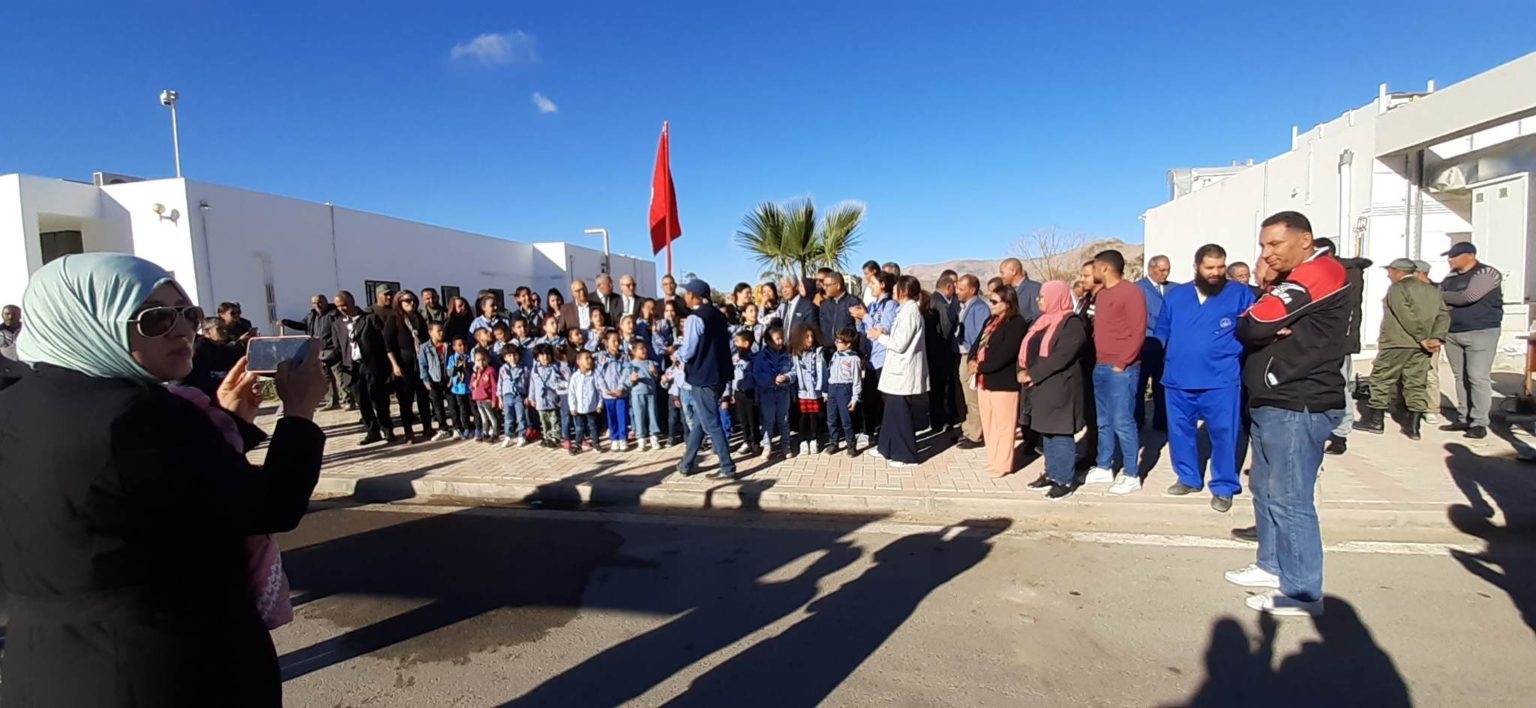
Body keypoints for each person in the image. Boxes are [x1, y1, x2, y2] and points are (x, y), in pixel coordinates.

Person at [0, 252, 325, 706]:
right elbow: (270, 505)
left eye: (188, 313)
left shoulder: (17, 403)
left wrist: (230, 425)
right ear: (90, 321)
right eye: (155, 319)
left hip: (46, 665)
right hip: (166, 664)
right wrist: (300, 415)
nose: (182, 329)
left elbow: (153, 490)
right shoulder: (141, 415)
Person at [1227, 211, 1349, 618]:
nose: (1267, 254)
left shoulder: (1321, 272)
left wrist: (1260, 320)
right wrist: (1259, 317)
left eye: (1275, 244)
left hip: (1300, 401)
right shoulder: (1288, 282)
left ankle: (1301, 591)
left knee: (1291, 498)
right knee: (1264, 489)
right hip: (1272, 400)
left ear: (1305, 240)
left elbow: (1256, 323)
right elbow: (1251, 322)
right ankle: (1272, 565)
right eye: (1263, 246)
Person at [1155, 244, 1256, 512]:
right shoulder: (1176, 295)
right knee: (1180, 432)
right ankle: (1188, 477)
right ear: (1196, 266)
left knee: (1224, 434)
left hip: (1220, 380)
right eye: (1209, 267)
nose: (1216, 273)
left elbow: (1254, 330)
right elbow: (1162, 331)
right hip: (1178, 379)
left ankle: (1224, 486)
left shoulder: (1240, 294)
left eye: (1221, 267)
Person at [1354, 259, 1449, 440]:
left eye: (1390, 271)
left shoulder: (1397, 289)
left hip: (1397, 343)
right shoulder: (1431, 290)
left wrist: (1421, 338)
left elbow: (1404, 314)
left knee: (1381, 379)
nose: (1388, 275)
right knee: (1416, 382)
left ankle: (1375, 421)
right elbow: (1443, 315)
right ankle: (1414, 428)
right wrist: (1436, 337)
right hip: (1422, 346)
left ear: (1397, 271)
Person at [1018, 281, 1090, 500]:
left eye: (1043, 296)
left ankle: (1064, 479)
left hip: (1060, 385)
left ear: (1057, 297)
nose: (1039, 300)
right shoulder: (1042, 321)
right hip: (1040, 387)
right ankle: (1052, 472)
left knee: (1060, 433)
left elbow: (1061, 357)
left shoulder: (1071, 323)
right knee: (1046, 432)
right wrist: (1023, 370)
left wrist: (1033, 373)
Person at [1084, 250, 1147, 495]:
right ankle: (1104, 465)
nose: (1093, 271)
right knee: (1103, 421)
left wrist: (1123, 362)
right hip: (1100, 365)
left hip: (1122, 368)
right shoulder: (1102, 295)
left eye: (1096, 267)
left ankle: (1131, 473)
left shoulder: (1130, 292)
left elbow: (1138, 331)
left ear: (1105, 268)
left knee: (1122, 421)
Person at [1438, 242, 1502, 440]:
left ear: (1469, 255)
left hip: (1481, 332)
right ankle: (1464, 417)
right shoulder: (1451, 277)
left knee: (1477, 377)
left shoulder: (1487, 273)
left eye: (1454, 256)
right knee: (1461, 377)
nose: (1450, 259)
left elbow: (1469, 296)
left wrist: (1440, 295)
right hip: (1453, 333)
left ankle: (1479, 422)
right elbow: (1441, 300)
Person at [1315, 237, 1373, 455]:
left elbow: (1348, 314)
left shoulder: (1347, 275)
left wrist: (1345, 342)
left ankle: (1340, 434)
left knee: (1341, 385)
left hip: (1338, 342)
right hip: (1317, 341)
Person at [676, 279, 738, 479]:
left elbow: (689, 350)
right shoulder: (719, 316)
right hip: (720, 375)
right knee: (703, 421)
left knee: (711, 423)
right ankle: (686, 464)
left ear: (694, 295)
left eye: (686, 292)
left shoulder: (695, 318)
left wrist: (676, 354)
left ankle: (727, 467)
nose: (684, 296)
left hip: (703, 377)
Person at [868, 274, 929, 468]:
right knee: (891, 412)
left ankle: (906, 455)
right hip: (896, 371)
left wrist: (880, 336)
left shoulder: (911, 312)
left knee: (901, 413)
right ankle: (885, 447)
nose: (893, 290)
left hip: (904, 371)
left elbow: (900, 344)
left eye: (896, 288)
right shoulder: (904, 311)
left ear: (903, 291)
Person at [969, 283, 1027, 477]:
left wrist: (982, 366)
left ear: (1007, 303)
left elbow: (1007, 353)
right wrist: (971, 360)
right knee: (989, 422)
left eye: (995, 302)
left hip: (1003, 381)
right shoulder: (990, 321)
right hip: (984, 381)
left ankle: (1003, 463)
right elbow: (977, 343)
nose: (991, 305)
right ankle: (993, 459)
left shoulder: (1017, 323)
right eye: (990, 301)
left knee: (1004, 424)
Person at [383, 290, 435, 444]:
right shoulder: (393, 319)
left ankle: (427, 427)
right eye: (407, 301)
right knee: (405, 399)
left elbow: (425, 339)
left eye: (413, 300)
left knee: (423, 396)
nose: (411, 303)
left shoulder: (418, 317)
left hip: (420, 361)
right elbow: (388, 345)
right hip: (403, 363)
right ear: (399, 302)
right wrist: (395, 365)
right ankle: (409, 432)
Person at [1134, 255, 1173, 432]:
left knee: (1162, 385)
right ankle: (1137, 419)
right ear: (1151, 269)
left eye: (1168, 270)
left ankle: (1161, 421)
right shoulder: (1138, 289)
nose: (1166, 274)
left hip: (1166, 347)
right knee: (1139, 385)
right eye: (1162, 270)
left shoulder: (1173, 288)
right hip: (1145, 344)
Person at [283, 294, 343, 408]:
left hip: (333, 349)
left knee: (339, 376)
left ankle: (347, 401)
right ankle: (331, 402)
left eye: (319, 302)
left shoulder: (334, 314)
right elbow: (302, 325)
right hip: (318, 350)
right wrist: (286, 322)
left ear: (325, 302)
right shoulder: (312, 316)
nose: (317, 305)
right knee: (325, 378)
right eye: (314, 303)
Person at [954, 274, 989, 449]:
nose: (957, 292)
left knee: (972, 397)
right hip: (963, 354)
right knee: (967, 396)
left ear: (972, 290)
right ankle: (968, 429)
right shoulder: (965, 307)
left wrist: (974, 357)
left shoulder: (979, 308)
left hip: (971, 355)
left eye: (961, 289)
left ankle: (976, 434)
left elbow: (981, 335)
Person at [753, 324, 795, 458]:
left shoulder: (787, 355)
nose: (780, 342)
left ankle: (785, 445)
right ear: (768, 341)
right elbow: (758, 374)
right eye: (777, 339)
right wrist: (772, 379)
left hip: (783, 392)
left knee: (784, 419)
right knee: (768, 420)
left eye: (782, 338)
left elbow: (794, 371)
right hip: (767, 393)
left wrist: (787, 377)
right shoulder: (761, 357)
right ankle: (767, 445)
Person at [929, 274, 961, 432]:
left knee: (937, 389)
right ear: (948, 287)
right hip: (941, 354)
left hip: (936, 354)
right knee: (942, 388)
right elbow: (946, 330)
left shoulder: (933, 300)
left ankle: (937, 420)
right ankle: (941, 420)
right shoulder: (940, 303)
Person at [184, 316, 246, 398]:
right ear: (208, 332)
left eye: (225, 328)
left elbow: (232, 355)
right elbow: (201, 378)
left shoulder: (221, 346)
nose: (224, 331)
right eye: (219, 329)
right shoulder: (199, 349)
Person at [825, 328, 864, 456]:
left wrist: (854, 398)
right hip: (832, 388)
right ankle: (833, 442)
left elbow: (857, 380)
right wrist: (826, 391)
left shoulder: (854, 359)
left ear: (848, 344)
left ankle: (851, 444)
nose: (836, 343)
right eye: (836, 340)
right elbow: (829, 373)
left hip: (844, 389)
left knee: (846, 419)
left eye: (839, 341)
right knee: (831, 418)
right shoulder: (835, 355)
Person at [1413, 260, 1443, 423]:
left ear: (1421, 273)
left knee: (1430, 373)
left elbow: (1442, 316)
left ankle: (1431, 408)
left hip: (1430, 337)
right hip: (1408, 336)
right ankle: (1402, 405)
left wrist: (1437, 336)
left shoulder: (1436, 291)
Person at [791, 325, 828, 455]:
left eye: (812, 336)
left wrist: (824, 391)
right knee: (802, 417)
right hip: (802, 391)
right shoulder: (795, 355)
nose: (810, 339)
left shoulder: (818, 353)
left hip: (815, 391)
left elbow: (823, 372)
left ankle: (813, 439)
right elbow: (793, 372)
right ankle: (802, 441)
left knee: (814, 416)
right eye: (807, 337)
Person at [417, 321, 458, 440]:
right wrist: (426, 381)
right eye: (438, 331)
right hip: (434, 380)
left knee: (452, 404)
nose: (441, 333)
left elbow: (453, 363)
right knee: (437, 406)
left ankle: (456, 427)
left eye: (442, 330)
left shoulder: (448, 346)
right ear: (430, 332)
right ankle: (443, 428)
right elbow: (423, 365)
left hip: (448, 379)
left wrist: (452, 377)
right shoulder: (425, 348)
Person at [529, 343, 569, 448]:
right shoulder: (535, 370)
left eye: (547, 354)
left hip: (552, 399)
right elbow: (532, 384)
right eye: (541, 355)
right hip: (540, 401)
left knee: (554, 420)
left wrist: (563, 387)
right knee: (544, 420)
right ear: (537, 357)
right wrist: (531, 398)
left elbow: (558, 382)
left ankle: (555, 437)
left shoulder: (554, 368)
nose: (545, 357)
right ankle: (546, 436)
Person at [597, 331, 632, 451]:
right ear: (606, 342)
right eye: (613, 341)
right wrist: (605, 389)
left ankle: (623, 437)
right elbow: (599, 374)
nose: (616, 344)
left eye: (618, 341)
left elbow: (626, 373)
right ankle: (614, 438)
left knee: (622, 415)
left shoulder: (624, 356)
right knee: (611, 417)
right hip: (608, 394)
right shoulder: (601, 357)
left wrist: (621, 388)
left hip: (621, 393)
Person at [628, 339, 663, 451]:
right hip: (637, 394)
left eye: (645, 348)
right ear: (633, 351)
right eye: (641, 348)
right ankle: (641, 438)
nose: (644, 350)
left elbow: (656, 378)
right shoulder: (631, 365)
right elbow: (626, 382)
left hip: (651, 393)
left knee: (653, 415)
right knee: (639, 416)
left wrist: (654, 372)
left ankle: (654, 436)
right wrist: (632, 380)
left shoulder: (650, 363)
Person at [567, 349, 603, 454]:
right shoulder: (575, 377)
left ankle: (596, 443)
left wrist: (599, 404)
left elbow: (599, 391)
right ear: (578, 361)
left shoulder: (594, 375)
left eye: (590, 358)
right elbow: (572, 393)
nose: (589, 360)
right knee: (579, 427)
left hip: (591, 407)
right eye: (586, 358)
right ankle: (578, 445)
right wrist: (572, 407)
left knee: (593, 426)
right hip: (579, 409)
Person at [817, 271, 861, 353]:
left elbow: (860, 330)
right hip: (827, 352)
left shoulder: (853, 303)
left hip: (847, 353)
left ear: (837, 285)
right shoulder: (824, 305)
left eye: (827, 285)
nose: (824, 288)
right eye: (824, 285)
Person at [499, 346, 532, 447]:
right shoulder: (503, 369)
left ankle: (522, 436)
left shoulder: (524, 369)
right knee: (508, 417)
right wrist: (500, 398)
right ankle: (508, 436)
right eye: (509, 355)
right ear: (505, 358)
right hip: (507, 396)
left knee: (521, 417)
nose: (512, 358)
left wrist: (528, 396)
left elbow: (529, 384)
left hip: (519, 396)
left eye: (515, 355)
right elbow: (500, 384)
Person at [445, 338, 476, 440]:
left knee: (473, 409)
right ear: (454, 347)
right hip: (458, 388)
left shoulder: (470, 357)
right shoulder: (452, 358)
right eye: (459, 345)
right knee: (463, 409)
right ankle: (466, 428)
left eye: (464, 344)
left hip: (470, 388)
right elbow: (449, 372)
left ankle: (477, 427)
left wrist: (467, 367)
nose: (462, 347)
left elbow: (474, 371)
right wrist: (455, 367)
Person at [469, 347, 500, 443]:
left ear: (488, 360)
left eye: (483, 360)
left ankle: (495, 433)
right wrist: (473, 385)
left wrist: (495, 399)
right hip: (478, 399)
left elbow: (495, 386)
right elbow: (471, 385)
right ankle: (485, 433)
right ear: (474, 361)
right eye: (478, 360)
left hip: (487, 398)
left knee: (492, 417)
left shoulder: (490, 371)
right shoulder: (475, 373)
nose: (481, 363)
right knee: (483, 417)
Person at [999, 257, 1042, 322]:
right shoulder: (1007, 291)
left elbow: (1037, 317)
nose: (1001, 276)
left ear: (1013, 271)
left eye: (1002, 273)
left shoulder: (1034, 288)